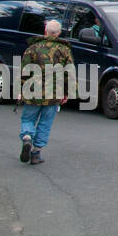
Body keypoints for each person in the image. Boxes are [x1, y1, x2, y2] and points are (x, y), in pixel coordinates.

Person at [19, 19, 73, 166]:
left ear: (45, 31)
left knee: (28, 119)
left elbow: (24, 71)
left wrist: (21, 90)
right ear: (59, 33)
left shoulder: (32, 48)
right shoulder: (65, 50)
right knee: (45, 123)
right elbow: (69, 74)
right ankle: (36, 153)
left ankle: (27, 137)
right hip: (54, 93)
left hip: (32, 92)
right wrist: (66, 93)